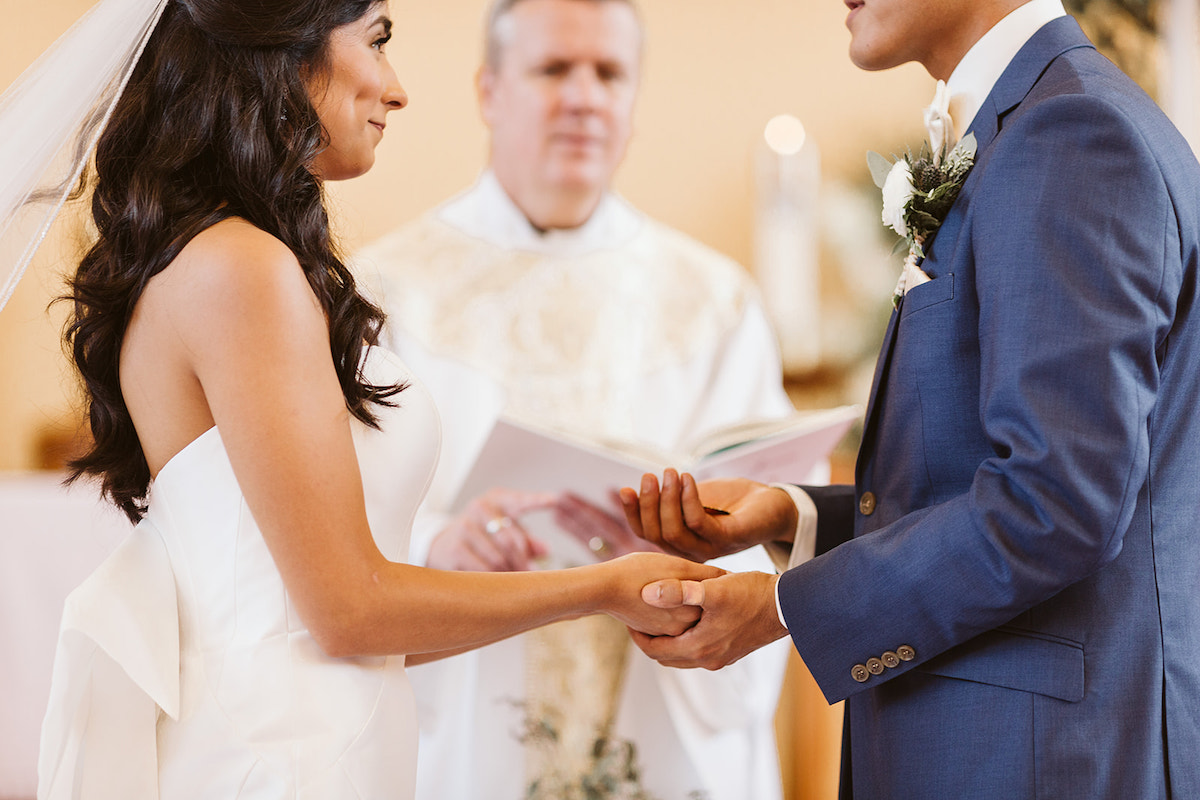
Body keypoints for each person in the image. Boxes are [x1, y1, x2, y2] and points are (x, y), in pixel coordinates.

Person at [10, 1, 723, 798]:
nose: (396, 88)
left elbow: (326, 618)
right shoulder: (241, 269)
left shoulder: (209, 254)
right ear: (283, 46)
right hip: (279, 760)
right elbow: (349, 612)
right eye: (377, 41)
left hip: (302, 732)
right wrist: (601, 587)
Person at [620, 0, 1200, 797]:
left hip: (1043, 760)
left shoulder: (1072, 137)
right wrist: (800, 517)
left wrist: (783, 608)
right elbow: (992, 477)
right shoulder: (1028, 124)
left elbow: (1057, 503)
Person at [352, 0, 796, 797]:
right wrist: (440, 546)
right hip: (469, 709)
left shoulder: (713, 300)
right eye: (554, 69)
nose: (585, 95)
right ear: (489, 91)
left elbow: (763, 506)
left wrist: (698, 531)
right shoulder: (385, 292)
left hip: (660, 708)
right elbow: (331, 529)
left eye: (610, 73)